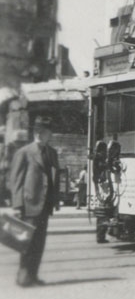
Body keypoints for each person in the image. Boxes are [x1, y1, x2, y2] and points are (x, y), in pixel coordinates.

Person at [10, 116, 60, 287]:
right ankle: (23, 277)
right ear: (34, 132)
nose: (40, 134)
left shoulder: (52, 153)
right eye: (37, 131)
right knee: (26, 243)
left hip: (45, 205)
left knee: (39, 243)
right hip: (29, 204)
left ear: (49, 134)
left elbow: (55, 177)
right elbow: (16, 181)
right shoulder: (24, 152)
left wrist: (55, 200)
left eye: (44, 132)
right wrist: (17, 205)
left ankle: (33, 275)